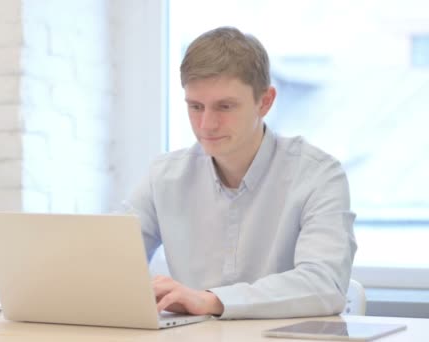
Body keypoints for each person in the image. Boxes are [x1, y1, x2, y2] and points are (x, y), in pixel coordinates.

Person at [120, 26, 357, 319]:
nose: (206, 124)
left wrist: (211, 301)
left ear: (265, 101)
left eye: (225, 106)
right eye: (195, 106)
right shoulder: (163, 176)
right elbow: (111, 263)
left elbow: (325, 284)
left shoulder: (319, 175)